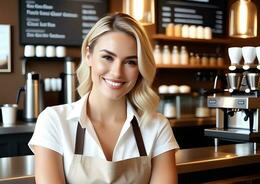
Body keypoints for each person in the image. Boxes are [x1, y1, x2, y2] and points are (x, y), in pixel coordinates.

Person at [28, 12, 179, 184]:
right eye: (107, 57)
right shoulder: (54, 121)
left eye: (131, 62)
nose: (117, 72)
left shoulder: (157, 126)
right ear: (89, 56)